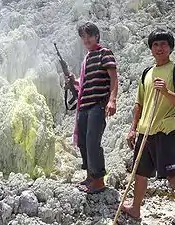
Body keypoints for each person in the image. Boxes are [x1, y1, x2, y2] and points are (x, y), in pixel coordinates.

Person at [123, 29, 175, 225]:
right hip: (145, 131)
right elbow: (139, 104)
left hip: (164, 132)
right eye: (155, 45)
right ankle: (135, 209)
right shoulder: (147, 73)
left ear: (170, 48)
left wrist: (166, 92)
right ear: (151, 49)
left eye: (163, 44)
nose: (159, 48)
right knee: (140, 174)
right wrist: (133, 128)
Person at [69, 22, 118, 194]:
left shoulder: (105, 53)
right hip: (83, 107)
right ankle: (90, 176)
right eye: (83, 36)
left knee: (92, 142)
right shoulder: (87, 58)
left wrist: (112, 100)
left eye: (89, 35)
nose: (86, 39)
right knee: (83, 142)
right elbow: (84, 85)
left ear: (96, 36)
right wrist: (74, 82)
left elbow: (113, 78)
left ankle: (99, 181)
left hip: (97, 106)